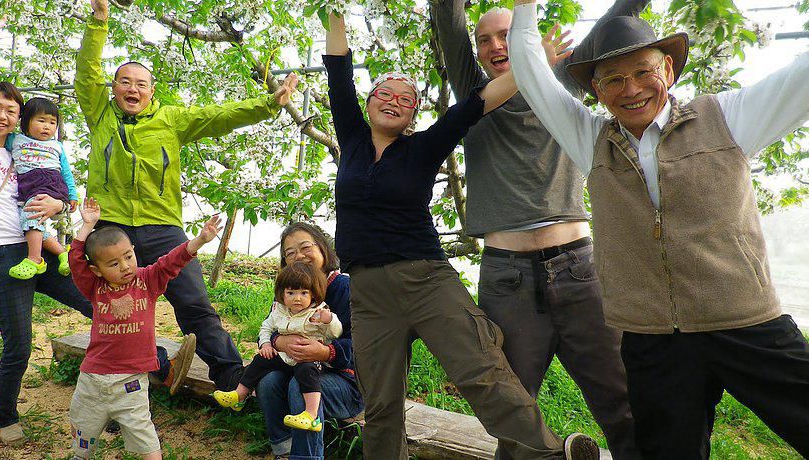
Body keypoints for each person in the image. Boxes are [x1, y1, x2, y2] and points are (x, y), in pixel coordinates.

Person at [508, 0, 809, 457]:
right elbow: (531, 73)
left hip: (745, 322)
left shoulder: (727, 116)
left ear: (667, 70)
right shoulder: (592, 140)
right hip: (653, 342)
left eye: (642, 71)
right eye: (613, 79)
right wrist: (525, 8)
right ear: (598, 90)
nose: (631, 89)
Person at [324, 11, 599, 460]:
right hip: (368, 294)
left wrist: (531, 62)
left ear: (413, 114)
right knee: (380, 404)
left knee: (482, 371)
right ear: (370, 101)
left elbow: (479, 102)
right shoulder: (352, 138)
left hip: (426, 282)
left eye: (406, 99)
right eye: (385, 94)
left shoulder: (424, 147)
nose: (394, 101)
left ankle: (550, 453)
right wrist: (336, 13)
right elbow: (338, 70)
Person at [0, 4, 193, 445]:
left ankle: (123, 392)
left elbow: (57, 191)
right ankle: (4, 418)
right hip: (3, 254)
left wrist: (60, 206)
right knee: (19, 343)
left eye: (10, 110)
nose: (1, 116)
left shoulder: (23, 150)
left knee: (99, 307)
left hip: (45, 249)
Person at [431, 2, 647, 457]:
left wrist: (541, 68)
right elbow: (446, 15)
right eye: (483, 40)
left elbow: (619, 16)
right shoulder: (474, 92)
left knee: (622, 401)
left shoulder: (563, 80)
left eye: (505, 36)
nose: (494, 46)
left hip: (578, 271)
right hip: (507, 278)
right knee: (512, 411)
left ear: (525, 36)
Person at [76, 0, 298, 391]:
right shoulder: (100, 115)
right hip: (111, 228)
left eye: (141, 83)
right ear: (112, 89)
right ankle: (145, 368)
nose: (133, 88)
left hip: (162, 227)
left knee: (194, 303)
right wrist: (99, 20)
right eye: (124, 82)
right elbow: (86, 70)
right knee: (107, 306)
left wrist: (267, 105)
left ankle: (231, 376)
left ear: (152, 91)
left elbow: (220, 116)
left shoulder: (171, 119)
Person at [67, 198, 220, 460]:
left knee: (146, 441)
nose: (125, 266)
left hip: (132, 382)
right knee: (82, 440)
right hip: (93, 380)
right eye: (114, 264)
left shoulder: (147, 280)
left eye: (128, 256)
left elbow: (173, 261)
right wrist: (87, 226)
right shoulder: (94, 287)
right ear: (97, 270)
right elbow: (75, 261)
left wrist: (200, 241)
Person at [254, 222, 364, 460]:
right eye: (290, 253)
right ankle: (284, 449)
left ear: (323, 249)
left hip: (347, 383)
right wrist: (278, 342)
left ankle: (307, 456)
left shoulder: (345, 288)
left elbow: (363, 347)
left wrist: (325, 352)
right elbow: (268, 327)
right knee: (268, 381)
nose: (299, 256)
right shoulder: (292, 290)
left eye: (305, 247)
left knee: (299, 386)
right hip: (299, 370)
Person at [212, 262, 342, 432]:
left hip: (308, 359)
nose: (297, 298)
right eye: (291, 292)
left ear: (313, 294)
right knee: (260, 360)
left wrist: (330, 319)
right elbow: (266, 327)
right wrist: (266, 343)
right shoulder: (279, 310)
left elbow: (336, 333)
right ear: (282, 294)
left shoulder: (318, 312)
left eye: (304, 293)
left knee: (307, 373)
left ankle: (311, 415)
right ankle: (239, 395)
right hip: (285, 357)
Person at [5, 97, 79, 279]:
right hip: (28, 185)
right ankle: (63, 254)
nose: (47, 127)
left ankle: (35, 259)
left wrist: (72, 194)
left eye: (52, 122)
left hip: (49, 182)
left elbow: (66, 172)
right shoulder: (15, 140)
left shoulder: (57, 146)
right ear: (26, 122)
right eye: (41, 120)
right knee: (32, 224)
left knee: (31, 216)